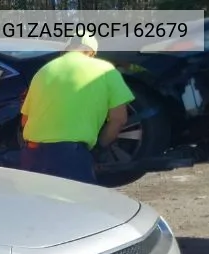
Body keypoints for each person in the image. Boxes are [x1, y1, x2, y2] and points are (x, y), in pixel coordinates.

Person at [19, 33, 135, 184]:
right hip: (71, 156)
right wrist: (99, 147)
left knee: (36, 204)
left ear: (66, 50)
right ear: (92, 53)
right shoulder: (106, 70)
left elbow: (25, 120)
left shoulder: (43, 71)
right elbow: (119, 119)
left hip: (31, 155)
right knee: (76, 205)